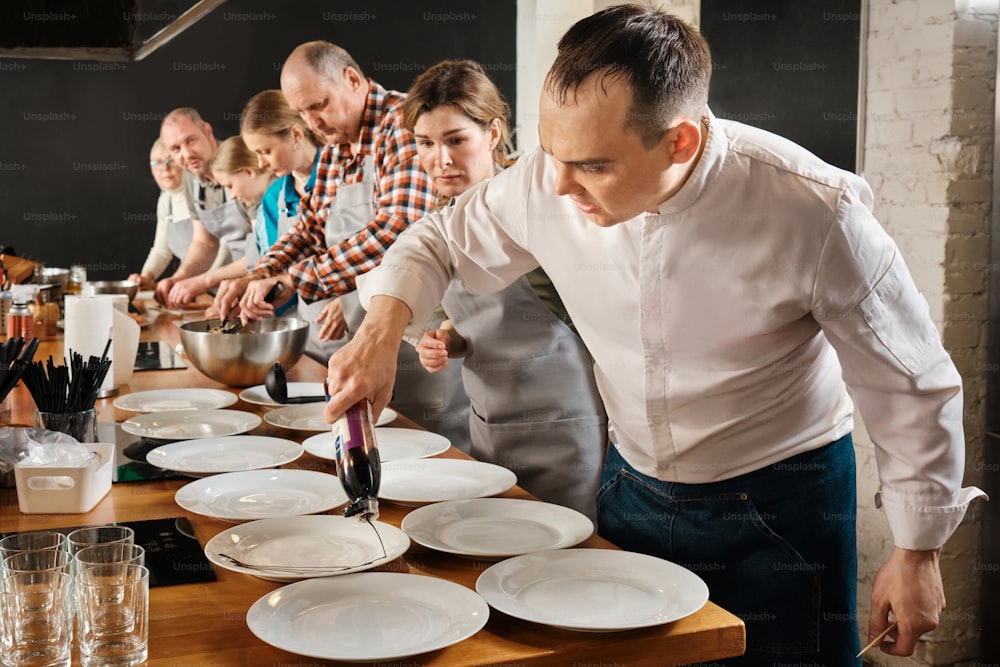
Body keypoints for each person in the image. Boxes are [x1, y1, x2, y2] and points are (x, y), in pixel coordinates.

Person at [323, 6, 986, 666]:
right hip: (631, 487)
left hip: (784, 505)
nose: (558, 184)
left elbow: (909, 381)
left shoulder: (815, 210)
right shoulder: (548, 181)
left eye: (591, 165)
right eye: (553, 155)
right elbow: (439, 240)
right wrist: (383, 328)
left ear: (681, 143)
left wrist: (918, 547)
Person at [212, 41, 469, 445]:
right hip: (361, 339)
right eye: (302, 113)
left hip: (417, 340)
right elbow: (309, 229)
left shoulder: (401, 125)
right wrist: (260, 274)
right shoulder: (334, 148)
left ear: (351, 79)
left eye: (319, 105)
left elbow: (396, 228)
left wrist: (297, 278)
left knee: (428, 454)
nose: (313, 122)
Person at [404, 60, 607, 519]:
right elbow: (459, 319)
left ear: (493, 133)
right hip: (492, 424)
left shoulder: (543, 208)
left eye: (456, 140)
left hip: (566, 427)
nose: (442, 159)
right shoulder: (440, 222)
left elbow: (596, 319)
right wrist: (443, 339)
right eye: (425, 143)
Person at [157, 107, 252, 308]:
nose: (187, 154)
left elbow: (265, 248)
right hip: (239, 291)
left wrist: (203, 281)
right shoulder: (190, 178)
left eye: (191, 140)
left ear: (207, 131)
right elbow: (205, 243)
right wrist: (180, 279)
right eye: (176, 149)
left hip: (267, 284)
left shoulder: (240, 161)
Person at [169, 136, 275, 306]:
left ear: (248, 172)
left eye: (230, 186)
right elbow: (261, 259)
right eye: (175, 148)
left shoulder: (273, 198)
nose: (231, 195)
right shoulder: (258, 199)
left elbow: (266, 261)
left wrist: (206, 281)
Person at [128, 139, 229, 289]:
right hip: (194, 286)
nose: (165, 168)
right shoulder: (165, 201)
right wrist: (146, 276)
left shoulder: (204, 191)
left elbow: (226, 243)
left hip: (225, 282)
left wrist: (204, 282)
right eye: (157, 163)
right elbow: (162, 251)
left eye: (171, 161)